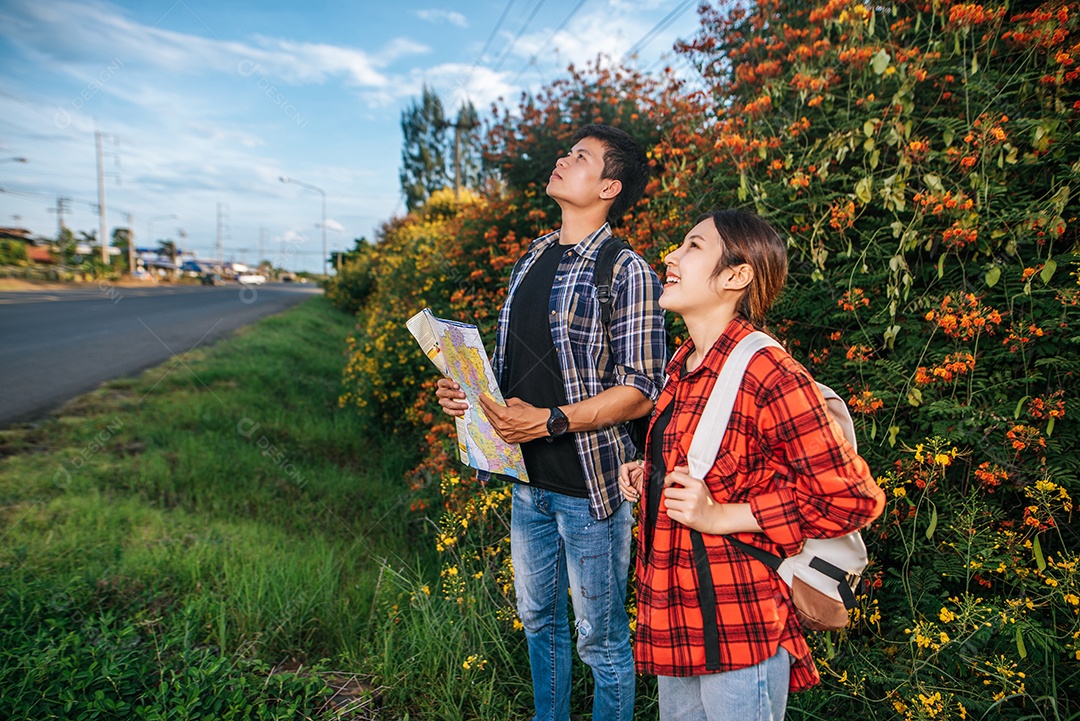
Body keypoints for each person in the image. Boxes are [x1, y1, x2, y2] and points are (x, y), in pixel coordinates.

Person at [436, 124, 667, 721]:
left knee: (601, 639)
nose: (563, 160)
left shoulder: (627, 271)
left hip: (590, 488)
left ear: (609, 186)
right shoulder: (531, 258)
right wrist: (468, 396)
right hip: (525, 482)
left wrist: (552, 422)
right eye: (566, 152)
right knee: (539, 621)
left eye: (580, 157)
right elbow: (514, 375)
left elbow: (643, 389)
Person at [618, 209, 885, 721]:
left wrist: (721, 517)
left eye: (693, 247)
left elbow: (850, 497)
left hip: (739, 617)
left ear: (736, 276)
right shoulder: (683, 364)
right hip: (677, 613)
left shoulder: (767, 370)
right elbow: (714, 467)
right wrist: (649, 475)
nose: (670, 256)